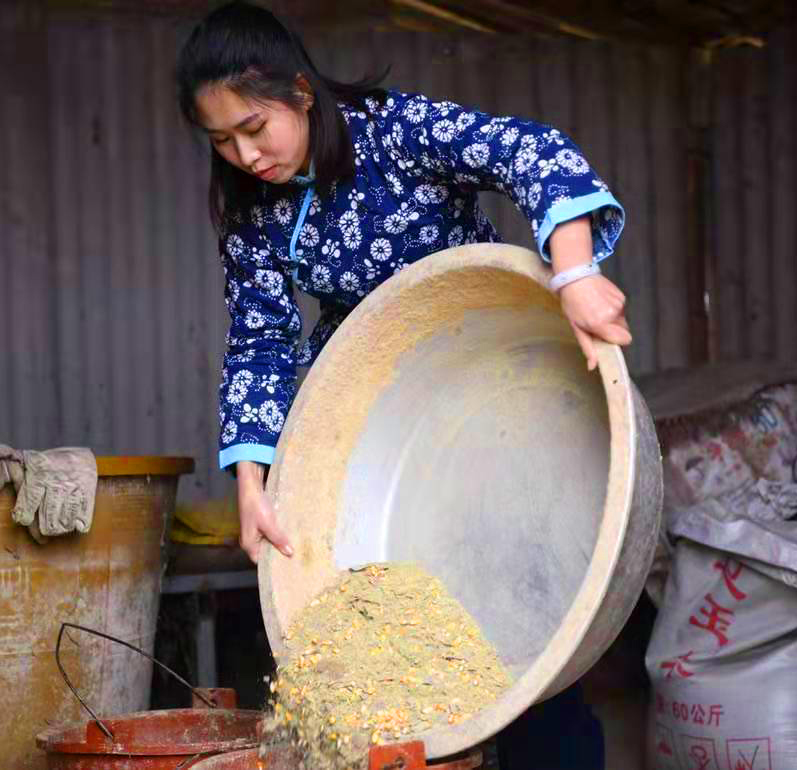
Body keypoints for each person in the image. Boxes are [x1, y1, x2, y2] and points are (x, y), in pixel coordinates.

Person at [176, 3, 626, 766]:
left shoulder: (394, 132)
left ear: (300, 92)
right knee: (404, 650)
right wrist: (252, 482)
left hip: (487, 383)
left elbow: (530, 150)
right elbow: (259, 339)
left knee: (527, 633)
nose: (245, 155)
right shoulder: (254, 211)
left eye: (254, 127)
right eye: (221, 141)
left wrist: (575, 271)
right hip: (378, 418)